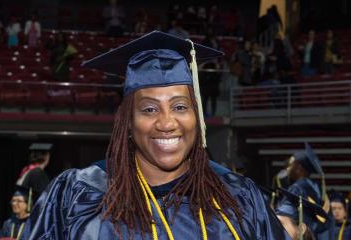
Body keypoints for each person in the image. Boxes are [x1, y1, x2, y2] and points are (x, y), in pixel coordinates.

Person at [25, 31, 290, 239]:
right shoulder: (78, 195)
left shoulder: (238, 198)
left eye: (180, 107)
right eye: (149, 109)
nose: (166, 122)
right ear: (128, 122)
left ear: (196, 116)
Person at [284, 142, 334, 239]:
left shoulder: (297, 188)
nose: (288, 169)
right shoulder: (316, 187)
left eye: (291, 165)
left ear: (299, 168)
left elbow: (285, 216)